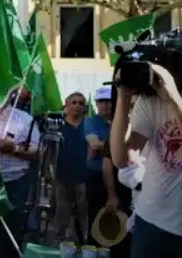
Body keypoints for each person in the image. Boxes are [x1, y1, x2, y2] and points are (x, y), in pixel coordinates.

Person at [110, 57, 182, 258]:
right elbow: (121, 158)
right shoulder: (151, 101)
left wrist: (174, 99)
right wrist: (123, 98)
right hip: (150, 222)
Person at [0, 88, 40, 257]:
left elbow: (37, 151)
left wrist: (14, 149)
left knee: (8, 230)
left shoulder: (25, 120)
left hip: (14, 183)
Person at [50, 92, 89, 244]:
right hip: (62, 175)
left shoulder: (89, 125)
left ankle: (83, 241)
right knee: (62, 209)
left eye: (81, 103)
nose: (77, 106)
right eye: (74, 102)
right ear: (67, 104)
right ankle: (59, 241)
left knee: (83, 211)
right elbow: (49, 150)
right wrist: (47, 171)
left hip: (83, 175)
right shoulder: (58, 126)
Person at [85, 86, 114, 248]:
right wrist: (118, 147)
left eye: (109, 101)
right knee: (95, 213)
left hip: (117, 175)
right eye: (101, 101)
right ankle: (94, 248)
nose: (105, 105)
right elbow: (94, 144)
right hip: (95, 175)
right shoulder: (91, 121)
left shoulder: (121, 120)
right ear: (96, 103)